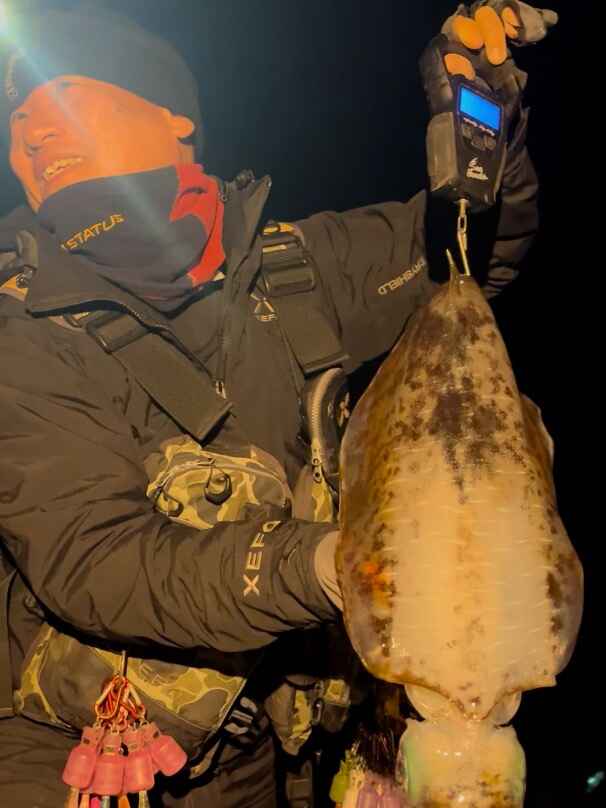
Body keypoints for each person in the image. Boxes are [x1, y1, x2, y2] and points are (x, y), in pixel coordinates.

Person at [0, 3, 554, 807]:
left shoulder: (294, 266)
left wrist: (487, 119)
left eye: (64, 100)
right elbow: (94, 559)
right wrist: (330, 564)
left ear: (174, 118)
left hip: (260, 754)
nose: (31, 135)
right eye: (17, 122)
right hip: (72, 760)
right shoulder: (19, 324)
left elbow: (477, 250)